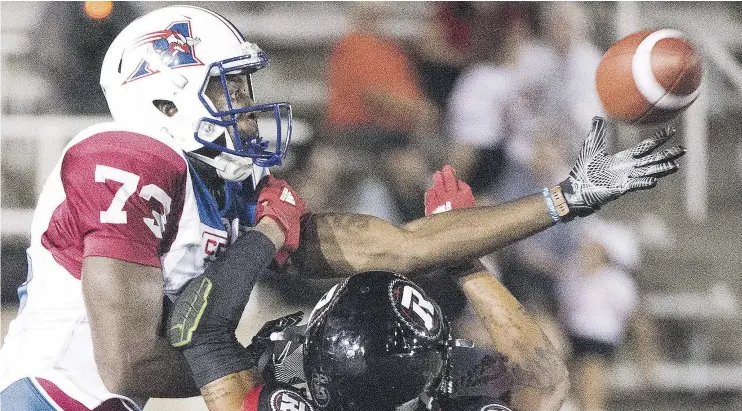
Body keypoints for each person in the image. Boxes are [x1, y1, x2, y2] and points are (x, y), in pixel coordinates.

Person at [0, 4, 686, 411]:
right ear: (168, 95)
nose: (244, 106)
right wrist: (270, 367)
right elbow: (124, 362)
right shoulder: (129, 157)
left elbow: (400, 246)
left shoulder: (222, 190)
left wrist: (560, 198)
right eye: (228, 89)